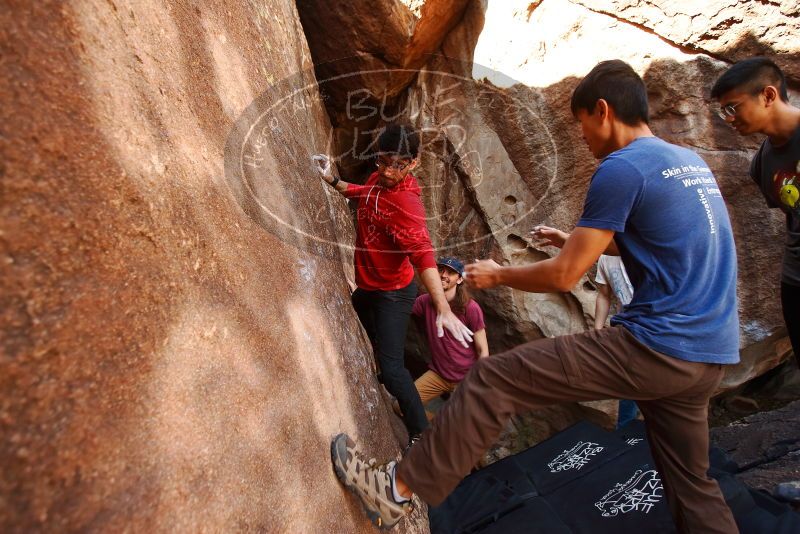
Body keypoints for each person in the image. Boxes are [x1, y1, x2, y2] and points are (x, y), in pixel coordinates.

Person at [331, 60, 740, 533]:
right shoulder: (686, 163)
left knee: (494, 380)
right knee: (693, 484)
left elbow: (565, 277)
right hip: (709, 354)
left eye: (581, 122)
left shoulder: (622, 168)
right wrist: (574, 239)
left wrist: (500, 274)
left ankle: (394, 490)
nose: (582, 136)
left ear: (602, 110)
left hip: (657, 345)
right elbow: (659, 242)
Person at [315, 124, 473, 444]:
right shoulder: (377, 181)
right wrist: (330, 178)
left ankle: (419, 435)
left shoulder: (407, 205)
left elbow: (423, 254)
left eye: (398, 164)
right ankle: (375, 365)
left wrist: (441, 305)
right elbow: (361, 193)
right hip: (371, 286)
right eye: (383, 161)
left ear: (414, 163)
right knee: (356, 313)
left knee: (393, 371)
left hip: (394, 294)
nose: (388, 171)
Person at [712, 57, 800, 369]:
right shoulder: (762, 165)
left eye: (733, 107)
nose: (729, 118)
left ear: (768, 95)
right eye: (724, 111)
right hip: (795, 279)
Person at [411, 257, 489, 420]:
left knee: (464, 425)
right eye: (441, 270)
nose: (444, 275)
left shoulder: (471, 308)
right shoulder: (425, 301)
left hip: (465, 378)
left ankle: (446, 426)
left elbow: (483, 351)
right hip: (439, 374)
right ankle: (436, 424)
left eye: (451, 272)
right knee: (401, 406)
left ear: (460, 279)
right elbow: (399, 308)